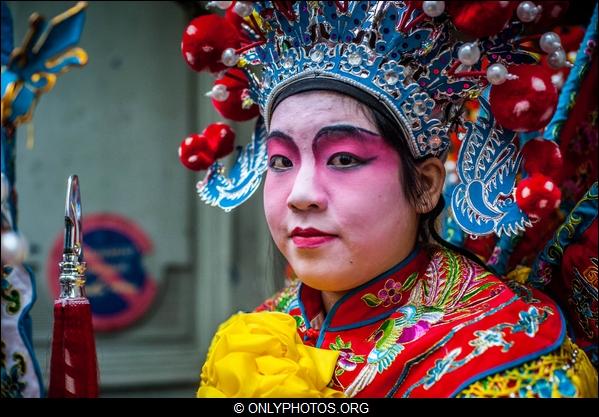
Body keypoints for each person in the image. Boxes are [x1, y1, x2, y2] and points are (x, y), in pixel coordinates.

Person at [178, 1, 598, 398]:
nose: (301, 195)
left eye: (343, 159)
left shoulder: (504, 361)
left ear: (427, 184)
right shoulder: (265, 325)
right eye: (281, 161)